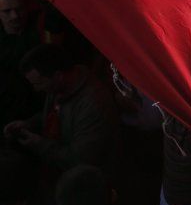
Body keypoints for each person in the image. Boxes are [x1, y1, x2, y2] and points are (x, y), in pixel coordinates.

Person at [4, 44, 119, 173]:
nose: (36, 89)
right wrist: (29, 124)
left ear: (58, 76)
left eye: (39, 83)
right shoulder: (60, 87)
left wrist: (40, 145)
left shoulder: (94, 105)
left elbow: (80, 160)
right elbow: (58, 114)